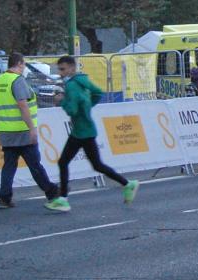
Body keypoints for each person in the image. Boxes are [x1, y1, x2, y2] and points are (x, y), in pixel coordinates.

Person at [54, 56, 139, 205]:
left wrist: (62, 101)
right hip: (86, 130)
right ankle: (127, 184)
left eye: (63, 69)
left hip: (80, 132)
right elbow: (98, 93)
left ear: (72, 68)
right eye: (59, 69)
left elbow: (72, 110)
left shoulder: (72, 86)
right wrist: (87, 107)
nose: (60, 72)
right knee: (97, 165)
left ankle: (63, 199)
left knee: (63, 162)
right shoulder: (82, 81)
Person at [0, 52, 67, 211]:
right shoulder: (17, 81)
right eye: (24, 64)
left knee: (9, 166)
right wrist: (32, 129)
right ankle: (52, 192)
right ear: (19, 63)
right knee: (35, 165)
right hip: (22, 131)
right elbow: (22, 105)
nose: (24, 67)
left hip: (6, 131)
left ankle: (4, 197)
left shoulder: (0, 80)